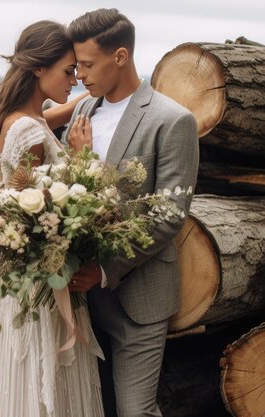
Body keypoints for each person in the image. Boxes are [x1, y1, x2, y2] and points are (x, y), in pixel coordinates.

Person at [60, 9, 199, 417]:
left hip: (139, 296)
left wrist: (104, 269)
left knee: (136, 411)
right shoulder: (82, 113)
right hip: (80, 300)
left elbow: (169, 214)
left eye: (87, 65)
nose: (80, 75)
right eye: (76, 66)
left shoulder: (172, 120)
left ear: (119, 56)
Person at [0, 20, 105, 417]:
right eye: (68, 70)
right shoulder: (28, 129)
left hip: (27, 285)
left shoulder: (23, 117)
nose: (76, 80)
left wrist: (99, 91)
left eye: (79, 70)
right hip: (44, 287)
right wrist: (81, 159)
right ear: (38, 69)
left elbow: (53, 115)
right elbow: (39, 208)